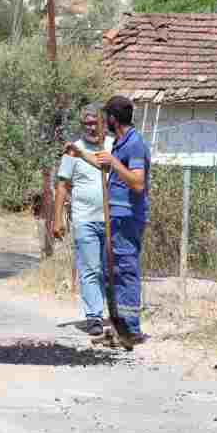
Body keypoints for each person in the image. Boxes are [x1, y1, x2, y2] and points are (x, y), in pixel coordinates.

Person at [88, 95, 150, 350]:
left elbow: (137, 182)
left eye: (106, 118)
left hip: (127, 218)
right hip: (114, 216)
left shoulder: (135, 144)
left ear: (113, 119)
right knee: (110, 272)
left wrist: (113, 162)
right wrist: (80, 153)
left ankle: (131, 331)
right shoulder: (119, 143)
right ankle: (116, 328)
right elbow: (109, 168)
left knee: (125, 271)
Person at [54, 104, 113, 338]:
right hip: (84, 219)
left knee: (109, 270)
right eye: (86, 123)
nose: (91, 126)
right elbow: (62, 185)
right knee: (90, 269)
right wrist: (57, 219)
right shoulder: (73, 150)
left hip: (111, 220)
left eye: (94, 122)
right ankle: (94, 317)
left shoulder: (113, 146)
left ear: (103, 122)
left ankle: (116, 313)